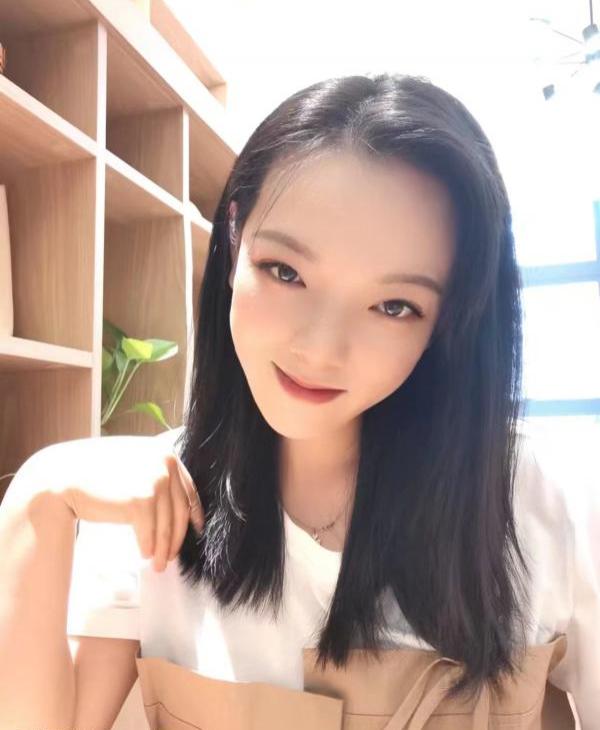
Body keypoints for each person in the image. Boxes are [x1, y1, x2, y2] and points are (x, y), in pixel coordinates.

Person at [1, 72, 598, 729]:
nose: (320, 348)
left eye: (394, 305)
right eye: (286, 272)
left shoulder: (542, 504)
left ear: (447, 322)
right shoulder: (156, 510)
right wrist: (39, 493)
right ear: (234, 241)